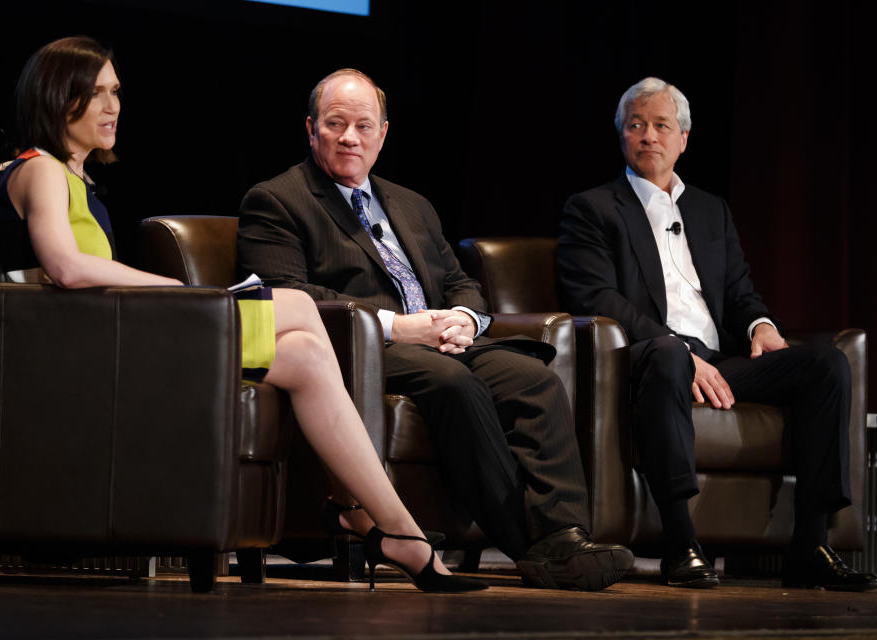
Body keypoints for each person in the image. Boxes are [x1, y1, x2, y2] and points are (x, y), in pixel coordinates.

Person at [0, 36, 486, 593]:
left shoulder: (75, 178)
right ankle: (382, 525)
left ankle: (380, 523)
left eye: (116, 92)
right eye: (97, 93)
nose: (113, 106)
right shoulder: (40, 169)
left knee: (305, 352)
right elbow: (65, 267)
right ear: (59, 98)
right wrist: (174, 288)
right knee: (296, 304)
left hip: (120, 333)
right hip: (93, 346)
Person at [235, 68, 635, 591]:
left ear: (383, 133)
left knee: (533, 379)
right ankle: (531, 548)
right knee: (454, 384)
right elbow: (288, 294)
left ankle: (565, 535)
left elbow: (459, 281)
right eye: (335, 124)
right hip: (363, 347)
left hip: (442, 341)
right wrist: (400, 327)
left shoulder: (410, 204)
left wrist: (464, 318)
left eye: (363, 125)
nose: (350, 137)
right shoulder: (276, 200)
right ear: (311, 129)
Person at [558, 77, 876, 591]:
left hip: (720, 360)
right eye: (636, 125)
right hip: (649, 358)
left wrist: (762, 326)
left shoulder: (711, 210)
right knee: (667, 354)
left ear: (683, 138)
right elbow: (597, 300)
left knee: (824, 364)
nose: (648, 136)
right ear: (621, 136)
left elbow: (739, 291)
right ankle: (681, 544)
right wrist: (683, 351)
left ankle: (811, 544)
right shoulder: (593, 209)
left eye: (662, 125)